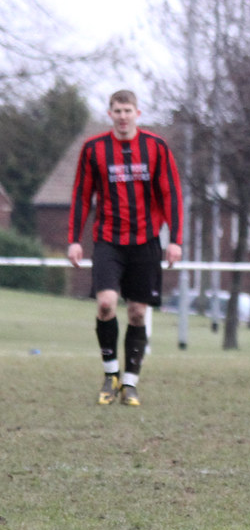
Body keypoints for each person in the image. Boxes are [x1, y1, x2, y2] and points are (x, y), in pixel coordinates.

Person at [68, 89, 183, 407]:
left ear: (137, 113)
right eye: (117, 111)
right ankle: (111, 375)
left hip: (146, 242)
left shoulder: (156, 147)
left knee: (137, 312)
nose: (122, 116)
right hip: (108, 241)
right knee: (106, 304)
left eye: (127, 110)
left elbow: (171, 193)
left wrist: (175, 239)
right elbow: (81, 195)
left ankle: (130, 382)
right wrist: (74, 239)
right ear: (110, 114)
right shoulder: (93, 149)